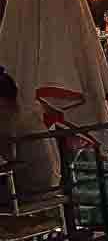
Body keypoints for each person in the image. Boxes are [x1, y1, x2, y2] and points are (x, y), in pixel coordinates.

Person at [0, 66, 62, 207]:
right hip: (51, 184)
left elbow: (9, 156)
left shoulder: (7, 118)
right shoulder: (27, 111)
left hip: (32, 190)